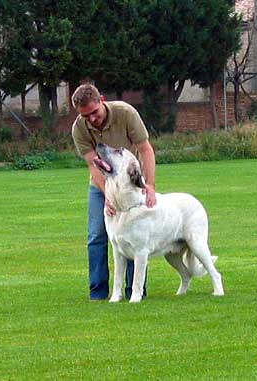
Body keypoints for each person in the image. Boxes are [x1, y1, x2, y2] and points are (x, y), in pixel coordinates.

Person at [71, 83, 157, 301]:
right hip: (102, 185)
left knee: (135, 235)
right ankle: (98, 292)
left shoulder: (125, 113)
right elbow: (93, 164)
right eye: (85, 116)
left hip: (130, 184)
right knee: (96, 235)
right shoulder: (79, 128)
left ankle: (135, 291)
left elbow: (146, 149)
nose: (91, 119)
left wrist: (150, 186)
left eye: (94, 112)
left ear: (102, 99)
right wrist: (107, 196)